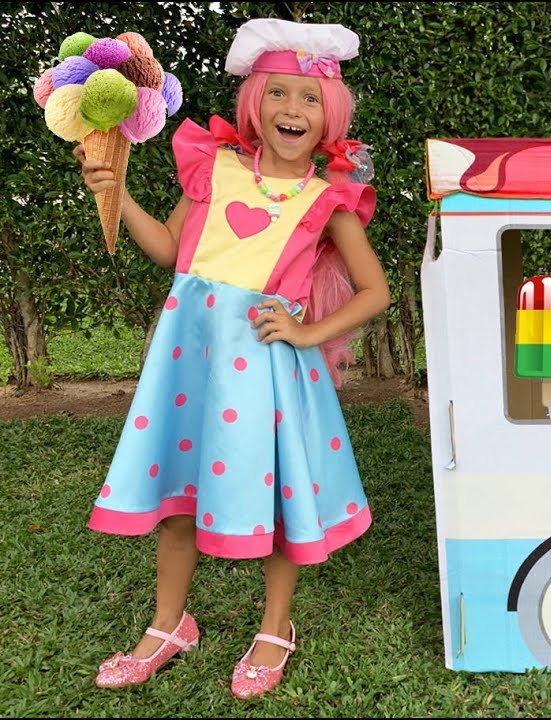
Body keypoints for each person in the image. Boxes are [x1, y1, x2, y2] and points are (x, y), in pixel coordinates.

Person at [76, 18, 390, 699]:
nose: (292, 109)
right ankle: (169, 624)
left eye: (310, 99)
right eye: (277, 92)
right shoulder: (213, 168)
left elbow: (376, 291)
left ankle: (276, 626)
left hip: (269, 375)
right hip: (192, 363)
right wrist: (115, 194)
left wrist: (308, 333)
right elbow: (170, 250)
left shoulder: (327, 198)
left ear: (329, 116)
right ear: (255, 102)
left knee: (277, 498)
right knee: (179, 498)